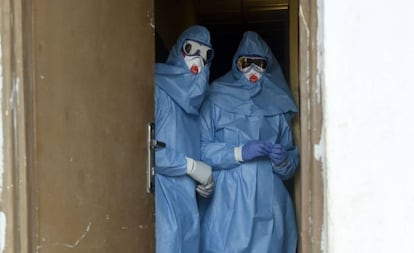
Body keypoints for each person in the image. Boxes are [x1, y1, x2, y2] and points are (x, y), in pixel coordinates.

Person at [199, 31, 299, 253]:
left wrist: (283, 161)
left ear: (268, 66)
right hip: (226, 201)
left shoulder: (277, 107)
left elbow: (291, 164)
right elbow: (200, 149)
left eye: (259, 63)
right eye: (246, 63)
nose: (253, 70)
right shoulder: (215, 99)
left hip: (270, 201)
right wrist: (237, 153)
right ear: (237, 65)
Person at [154, 25, 215, 253]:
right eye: (192, 49)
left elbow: (197, 148)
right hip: (161, 198)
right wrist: (189, 166)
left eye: (206, 54)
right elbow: (144, 147)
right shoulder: (157, 89)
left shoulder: (198, 103)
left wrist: (205, 178)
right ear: (179, 50)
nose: (198, 59)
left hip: (188, 204)